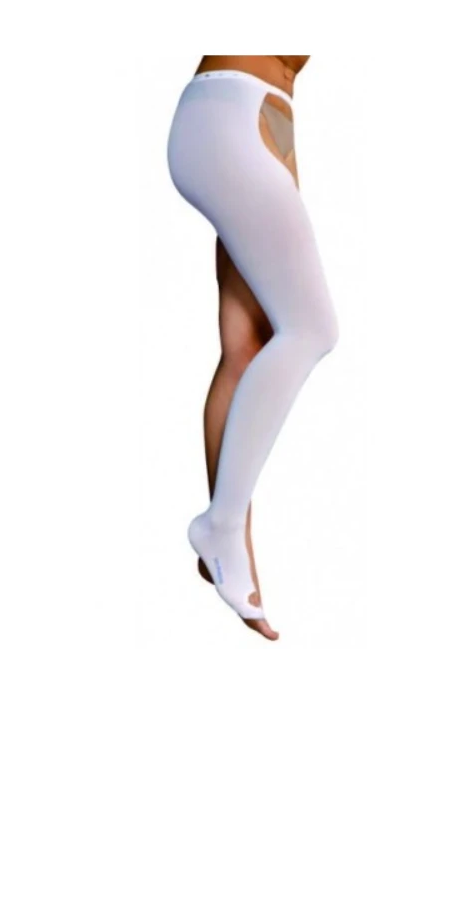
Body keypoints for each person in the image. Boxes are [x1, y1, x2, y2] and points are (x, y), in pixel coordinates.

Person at [167, 56, 339, 640]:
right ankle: (220, 526)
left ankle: (227, 553)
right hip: (231, 113)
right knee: (312, 328)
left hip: (270, 116)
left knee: (246, 347)